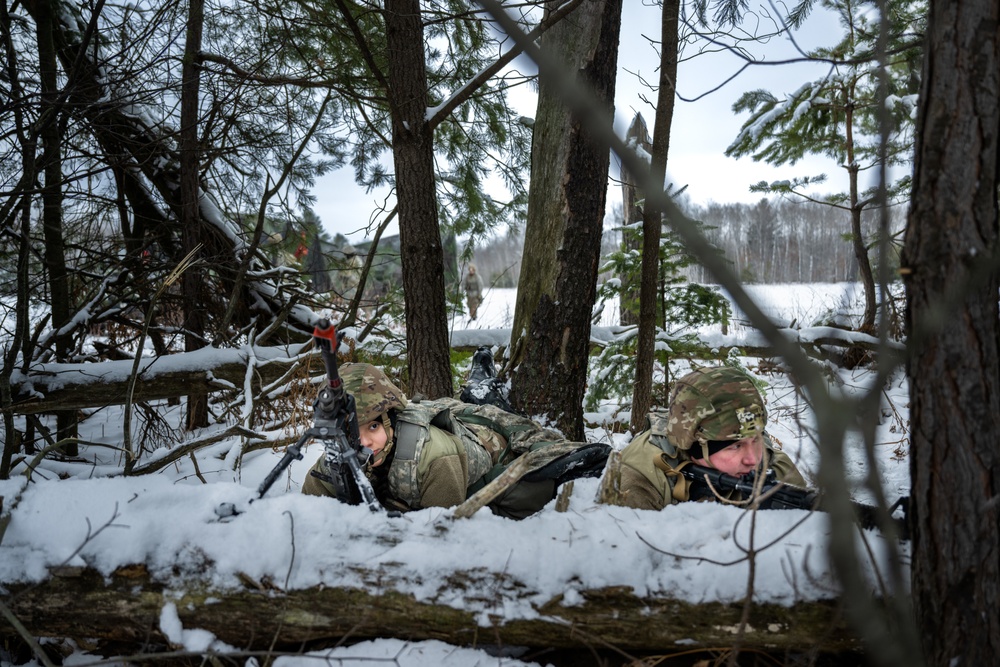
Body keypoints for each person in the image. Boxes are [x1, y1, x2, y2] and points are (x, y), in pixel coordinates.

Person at [302, 362, 610, 519]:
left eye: (372, 427)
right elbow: (310, 513)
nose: (365, 442)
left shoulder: (434, 459)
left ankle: (485, 385)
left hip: (486, 450)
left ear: (391, 421)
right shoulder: (333, 464)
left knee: (518, 498)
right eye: (353, 434)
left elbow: (441, 535)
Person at [598, 366, 806, 511]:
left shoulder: (777, 469)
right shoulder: (638, 480)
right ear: (696, 446)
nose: (752, 459)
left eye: (756, 440)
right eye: (735, 446)